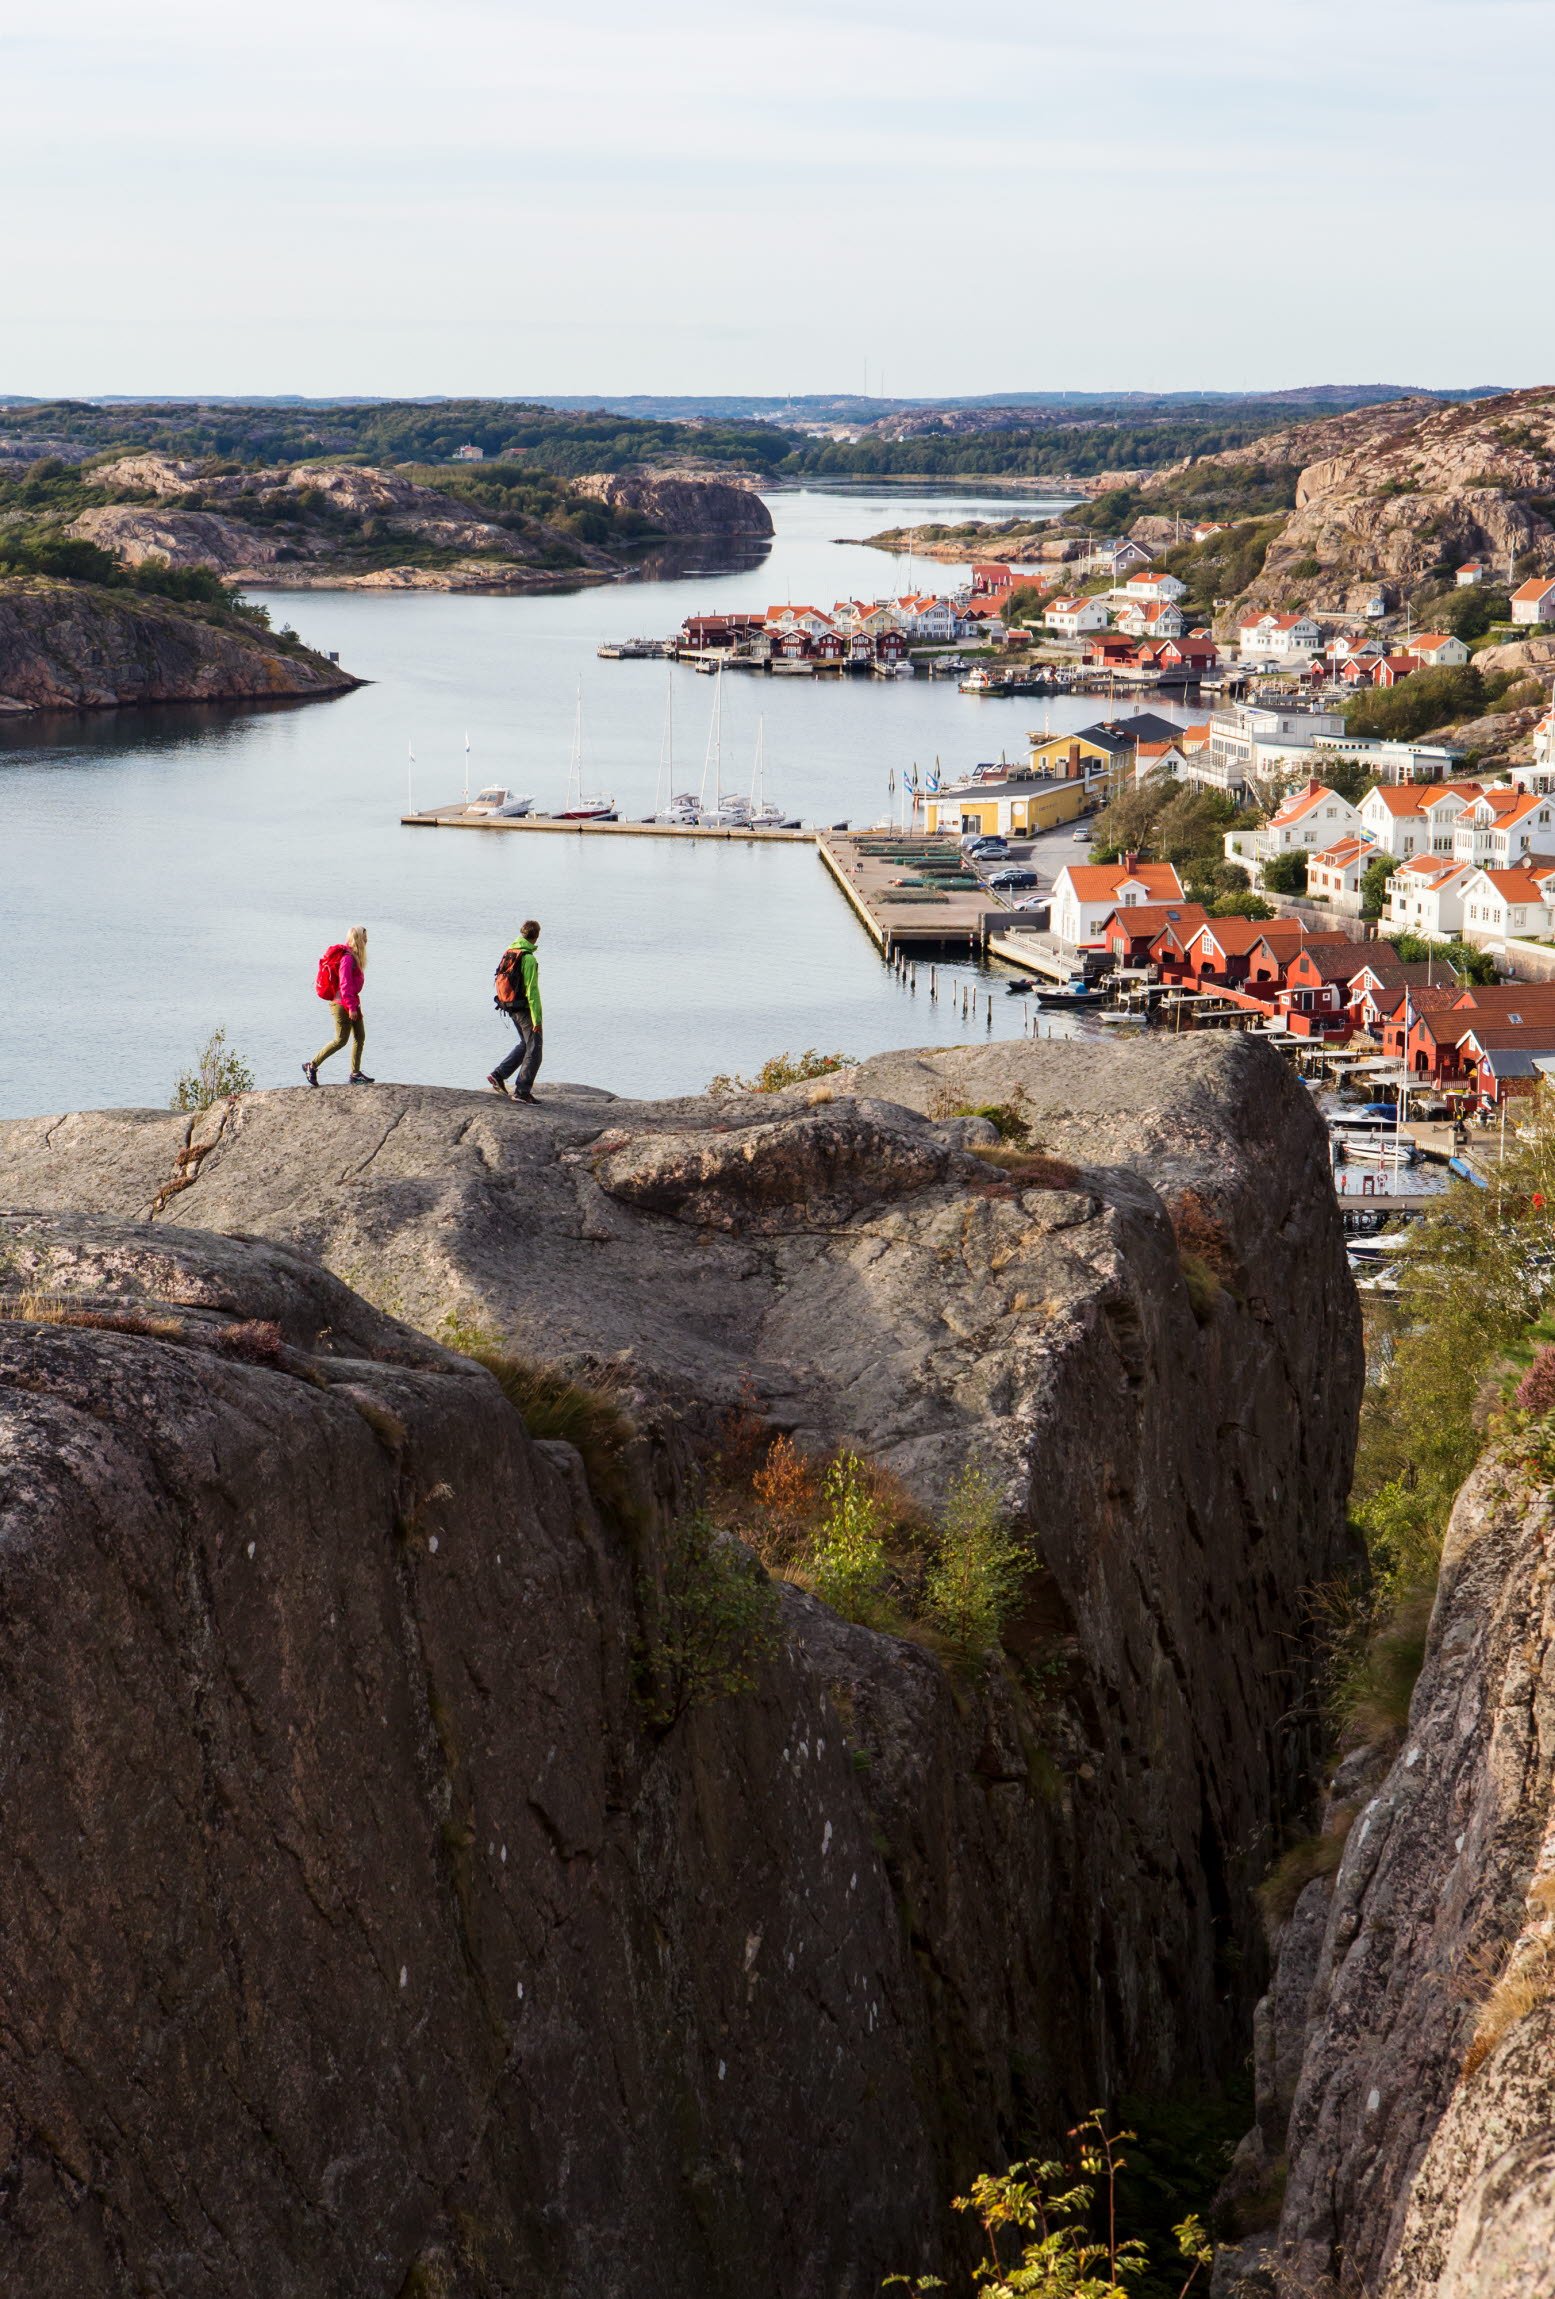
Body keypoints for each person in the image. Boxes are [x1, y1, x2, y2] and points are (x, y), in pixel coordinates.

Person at [303, 925, 374, 1085]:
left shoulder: (354, 957)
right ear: (358, 939)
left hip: (352, 1002)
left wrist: (353, 1005)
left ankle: (355, 1074)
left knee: (360, 1036)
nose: (367, 940)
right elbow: (345, 984)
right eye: (365, 937)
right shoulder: (348, 958)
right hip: (342, 1004)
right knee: (341, 1040)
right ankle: (311, 1065)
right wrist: (350, 1007)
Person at [489, 919, 543, 1101]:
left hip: (509, 1006)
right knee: (535, 1050)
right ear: (536, 936)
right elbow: (532, 992)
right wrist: (537, 1020)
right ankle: (522, 1092)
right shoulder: (527, 958)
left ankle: (498, 1075)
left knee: (524, 1044)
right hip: (523, 1009)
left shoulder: (510, 951)